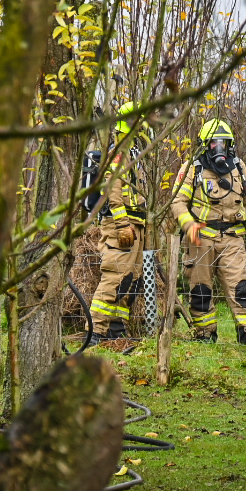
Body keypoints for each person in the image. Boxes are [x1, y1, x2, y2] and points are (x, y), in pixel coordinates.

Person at [169, 119, 246, 344]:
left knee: (242, 286)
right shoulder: (193, 167)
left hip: (232, 237)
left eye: (223, 142)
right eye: (213, 143)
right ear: (205, 144)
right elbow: (177, 202)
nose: (218, 148)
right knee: (200, 290)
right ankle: (205, 334)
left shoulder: (239, 167)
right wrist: (189, 225)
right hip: (201, 238)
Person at [87, 102, 149, 345]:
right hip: (120, 224)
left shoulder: (134, 153)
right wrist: (123, 223)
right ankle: (95, 332)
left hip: (135, 224)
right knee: (114, 276)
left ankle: (116, 329)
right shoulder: (119, 153)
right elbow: (113, 190)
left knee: (130, 279)